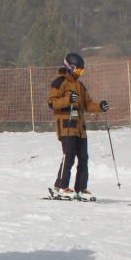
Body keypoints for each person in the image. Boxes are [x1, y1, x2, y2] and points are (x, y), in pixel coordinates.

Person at [47, 53, 109, 201]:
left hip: (80, 128)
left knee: (83, 158)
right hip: (66, 125)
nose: (79, 74)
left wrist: (100, 106)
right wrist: (68, 99)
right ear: (70, 67)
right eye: (78, 71)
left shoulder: (80, 86)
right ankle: (62, 187)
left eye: (81, 71)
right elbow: (52, 102)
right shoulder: (59, 82)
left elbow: (88, 104)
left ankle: (81, 188)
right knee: (68, 156)